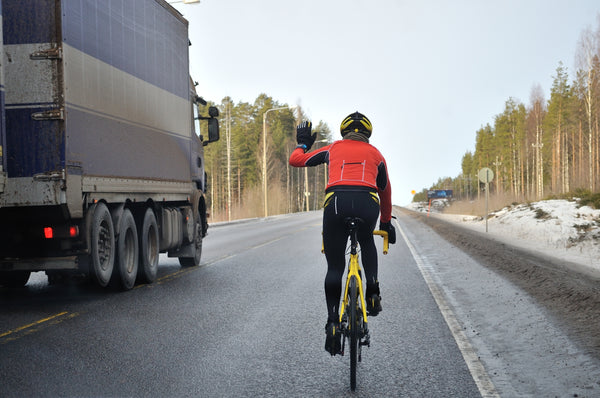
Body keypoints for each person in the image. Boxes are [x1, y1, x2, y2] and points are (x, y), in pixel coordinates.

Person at [289, 111, 396, 356]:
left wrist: (303, 143)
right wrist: (387, 223)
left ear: (344, 131)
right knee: (367, 238)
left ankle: (332, 324)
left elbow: (296, 160)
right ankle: (372, 292)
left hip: (335, 202)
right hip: (368, 203)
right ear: (367, 133)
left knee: (335, 268)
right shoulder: (376, 154)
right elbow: (386, 191)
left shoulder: (333, 149)